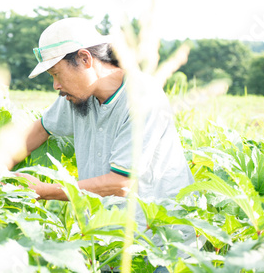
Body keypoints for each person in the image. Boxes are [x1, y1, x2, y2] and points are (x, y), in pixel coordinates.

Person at [14, 17, 195, 271]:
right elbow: (39, 129)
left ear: (85, 59)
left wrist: (42, 190)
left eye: (56, 74)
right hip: (108, 238)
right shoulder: (77, 97)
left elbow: (121, 183)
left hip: (159, 241)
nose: (56, 85)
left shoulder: (141, 97)